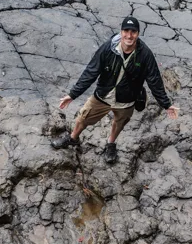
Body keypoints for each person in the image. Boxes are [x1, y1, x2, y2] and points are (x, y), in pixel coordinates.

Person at [51, 16, 179, 164]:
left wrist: (166, 104)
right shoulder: (108, 48)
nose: (129, 35)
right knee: (83, 117)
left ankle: (111, 144)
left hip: (127, 99)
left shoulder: (145, 54)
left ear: (138, 33)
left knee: (119, 122)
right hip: (104, 94)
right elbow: (91, 71)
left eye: (133, 32)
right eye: (126, 31)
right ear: (121, 31)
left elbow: (154, 80)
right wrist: (73, 95)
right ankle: (73, 138)